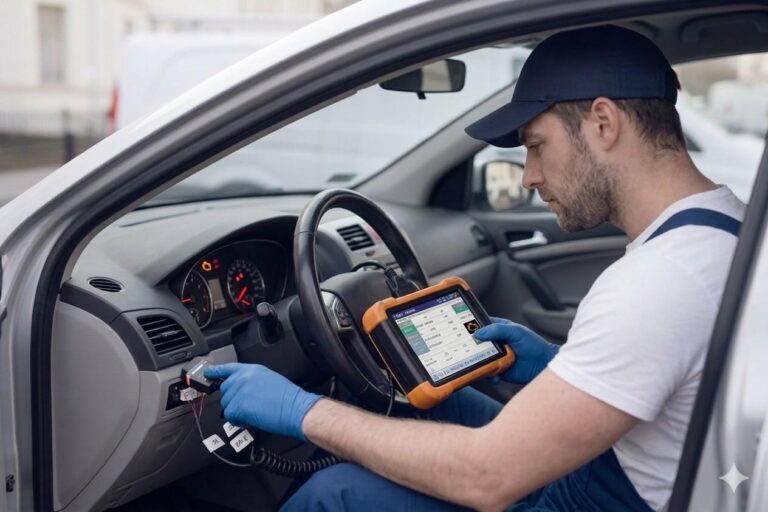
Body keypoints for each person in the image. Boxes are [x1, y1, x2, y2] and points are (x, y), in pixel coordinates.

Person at [204, 25, 746, 511]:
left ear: (603, 123)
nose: (528, 175)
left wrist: (300, 412)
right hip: (608, 471)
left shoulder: (657, 282)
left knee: (334, 494)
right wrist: (554, 365)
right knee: (438, 403)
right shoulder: (726, 228)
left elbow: (487, 477)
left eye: (537, 145)